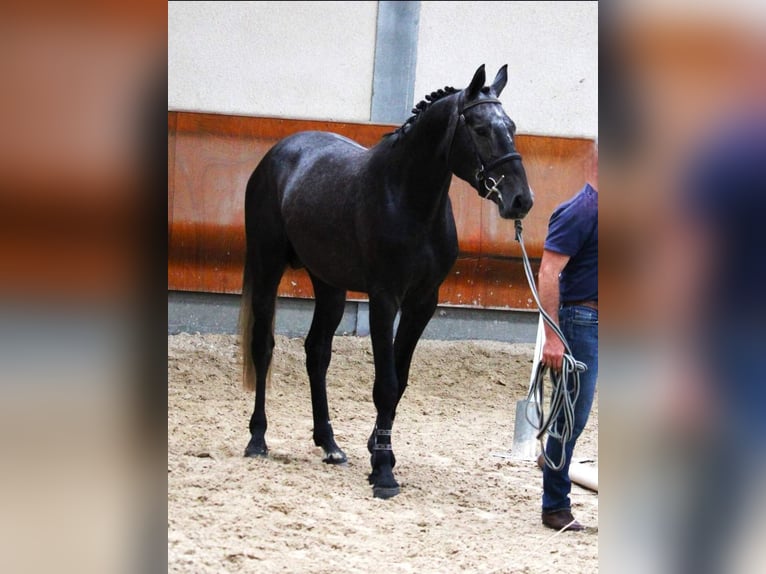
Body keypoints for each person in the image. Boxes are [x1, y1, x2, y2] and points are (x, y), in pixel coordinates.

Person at [537, 140, 598, 532]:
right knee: (570, 417)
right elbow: (548, 273)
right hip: (582, 322)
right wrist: (553, 337)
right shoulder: (581, 210)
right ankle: (555, 505)